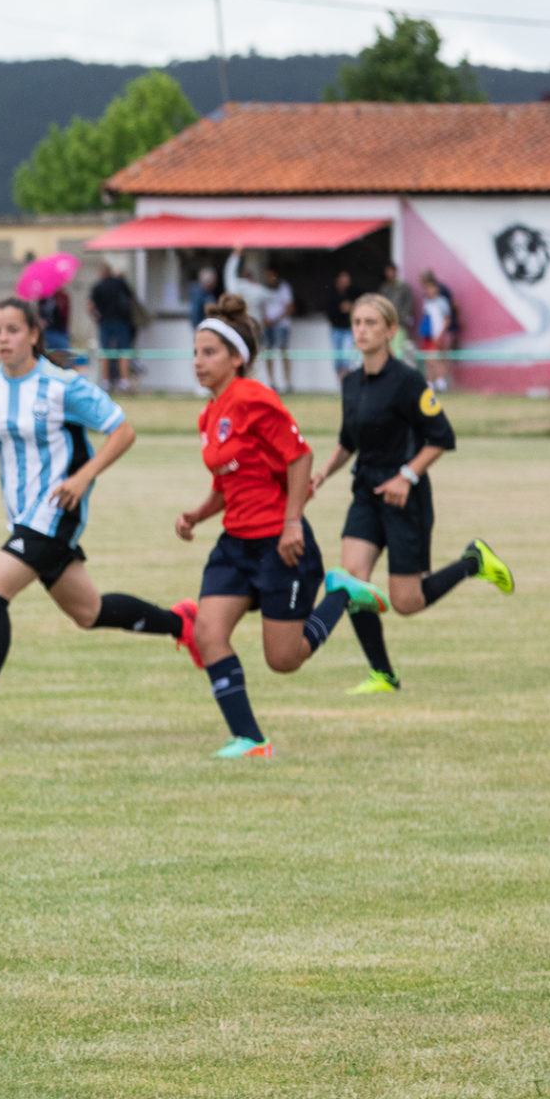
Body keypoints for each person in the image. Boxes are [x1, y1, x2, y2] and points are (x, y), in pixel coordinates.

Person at [0, 299, 190, 741]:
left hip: (57, 511)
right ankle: (183, 624)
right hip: (22, 517)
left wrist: (82, 478)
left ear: (33, 334)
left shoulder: (62, 386)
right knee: (89, 611)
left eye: (12, 329)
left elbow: (122, 431)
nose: (3, 338)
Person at [167, 296, 379, 758]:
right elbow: (227, 483)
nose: (198, 362)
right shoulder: (210, 413)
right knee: (208, 632)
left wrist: (291, 524)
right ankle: (250, 739)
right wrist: (197, 515)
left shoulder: (253, 397)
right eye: (196, 353)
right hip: (234, 544)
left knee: (284, 660)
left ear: (237, 358)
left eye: (209, 353)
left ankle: (342, 591)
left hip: (279, 545)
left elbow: (299, 456)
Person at [308, 293, 514, 694]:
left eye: (371, 323)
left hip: (405, 498)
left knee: (407, 602)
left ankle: (473, 562)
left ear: (389, 331)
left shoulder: (408, 382)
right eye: (356, 323)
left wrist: (406, 475)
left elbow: (442, 437)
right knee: (352, 582)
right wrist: (321, 475)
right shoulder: (350, 382)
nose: (362, 330)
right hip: (366, 492)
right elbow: (348, 440)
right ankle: (383, 674)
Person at [89, 262, 138, 392]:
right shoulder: (120, 283)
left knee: (105, 352)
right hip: (121, 321)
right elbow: (131, 299)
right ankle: (124, 381)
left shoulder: (98, 286)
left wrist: (96, 317)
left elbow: (90, 306)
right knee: (124, 351)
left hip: (105, 322)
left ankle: (105, 382)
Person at [416, 272, 459, 392]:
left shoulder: (442, 302)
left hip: (440, 336)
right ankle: (431, 383)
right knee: (429, 361)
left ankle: (441, 384)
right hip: (429, 336)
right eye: (427, 288)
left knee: (438, 360)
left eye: (432, 288)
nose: (429, 290)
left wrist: (440, 335)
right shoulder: (427, 302)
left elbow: (447, 320)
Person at [260, 265, 297, 394]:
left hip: (281, 325)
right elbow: (262, 305)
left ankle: (287, 383)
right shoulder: (263, 288)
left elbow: (290, 308)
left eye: (270, 275)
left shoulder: (284, 288)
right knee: (268, 352)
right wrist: (265, 319)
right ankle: (272, 382)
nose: (268, 278)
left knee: (283, 351)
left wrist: (274, 320)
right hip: (268, 325)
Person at [379, 262, 419, 361]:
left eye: (392, 271)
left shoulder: (404, 287)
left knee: (398, 352)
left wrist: (401, 319)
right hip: (386, 325)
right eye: (388, 271)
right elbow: (380, 305)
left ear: (396, 271)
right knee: (386, 351)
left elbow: (408, 305)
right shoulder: (384, 288)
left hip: (399, 325)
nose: (390, 273)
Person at [326, 269, 359, 376]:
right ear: (338, 280)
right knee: (338, 359)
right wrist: (341, 308)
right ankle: (340, 384)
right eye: (344, 279)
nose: (347, 282)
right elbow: (330, 310)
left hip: (348, 329)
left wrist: (351, 307)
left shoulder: (353, 292)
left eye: (348, 279)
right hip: (335, 329)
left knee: (347, 359)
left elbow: (358, 306)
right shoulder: (331, 293)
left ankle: (346, 382)